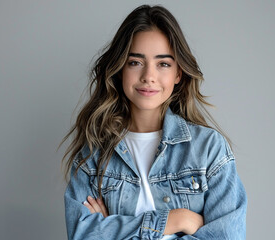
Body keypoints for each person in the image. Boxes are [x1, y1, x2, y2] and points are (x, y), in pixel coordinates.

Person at [61, 4, 247, 240]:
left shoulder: (208, 150)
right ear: (120, 70)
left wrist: (111, 228)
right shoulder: (93, 156)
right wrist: (178, 220)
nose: (148, 76)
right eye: (135, 62)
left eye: (163, 64)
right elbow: (82, 235)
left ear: (178, 73)